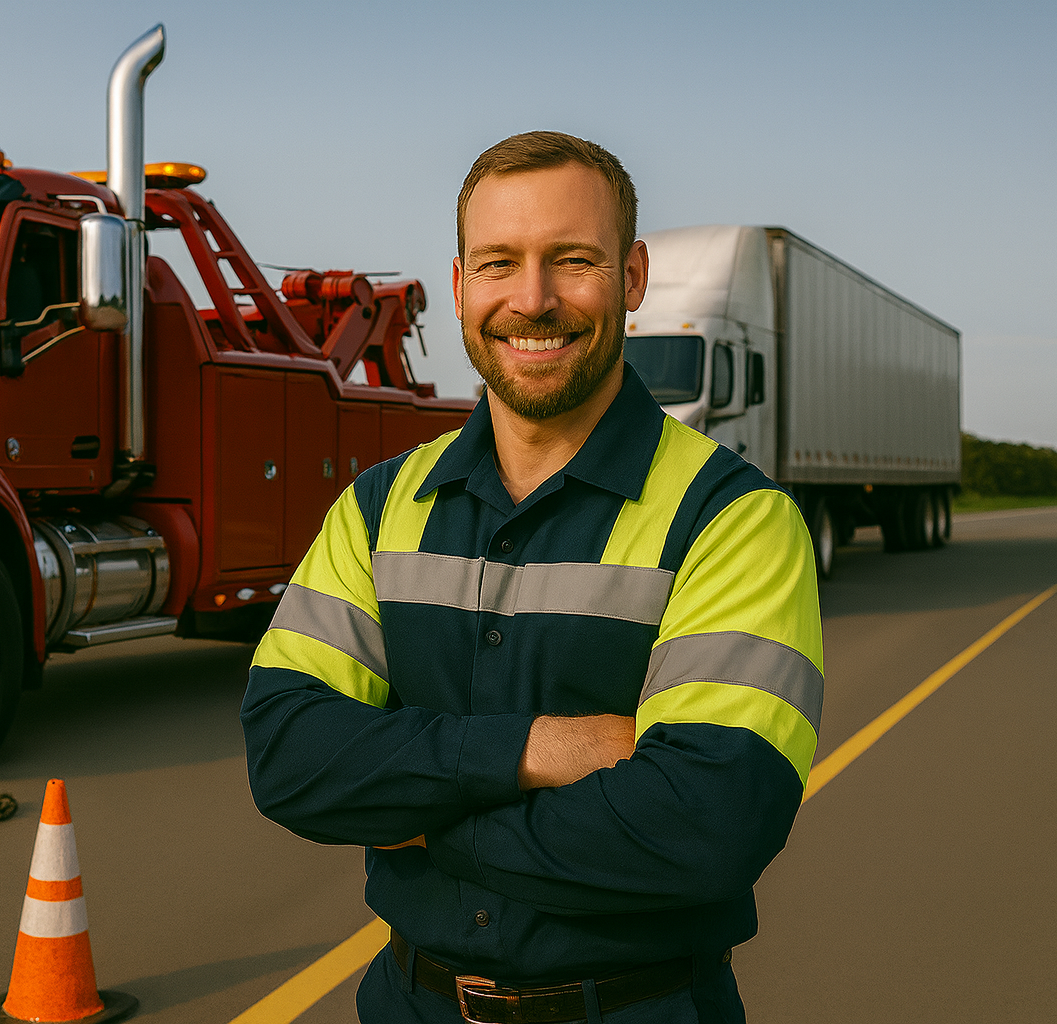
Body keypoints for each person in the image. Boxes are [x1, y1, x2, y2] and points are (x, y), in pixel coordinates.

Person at [240, 131, 822, 1024]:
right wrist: (536, 748)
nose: (533, 299)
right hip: (408, 1003)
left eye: (573, 260)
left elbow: (704, 822)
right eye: (499, 263)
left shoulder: (734, 520)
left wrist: (421, 817)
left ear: (631, 278)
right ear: (463, 283)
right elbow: (288, 754)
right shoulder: (378, 507)